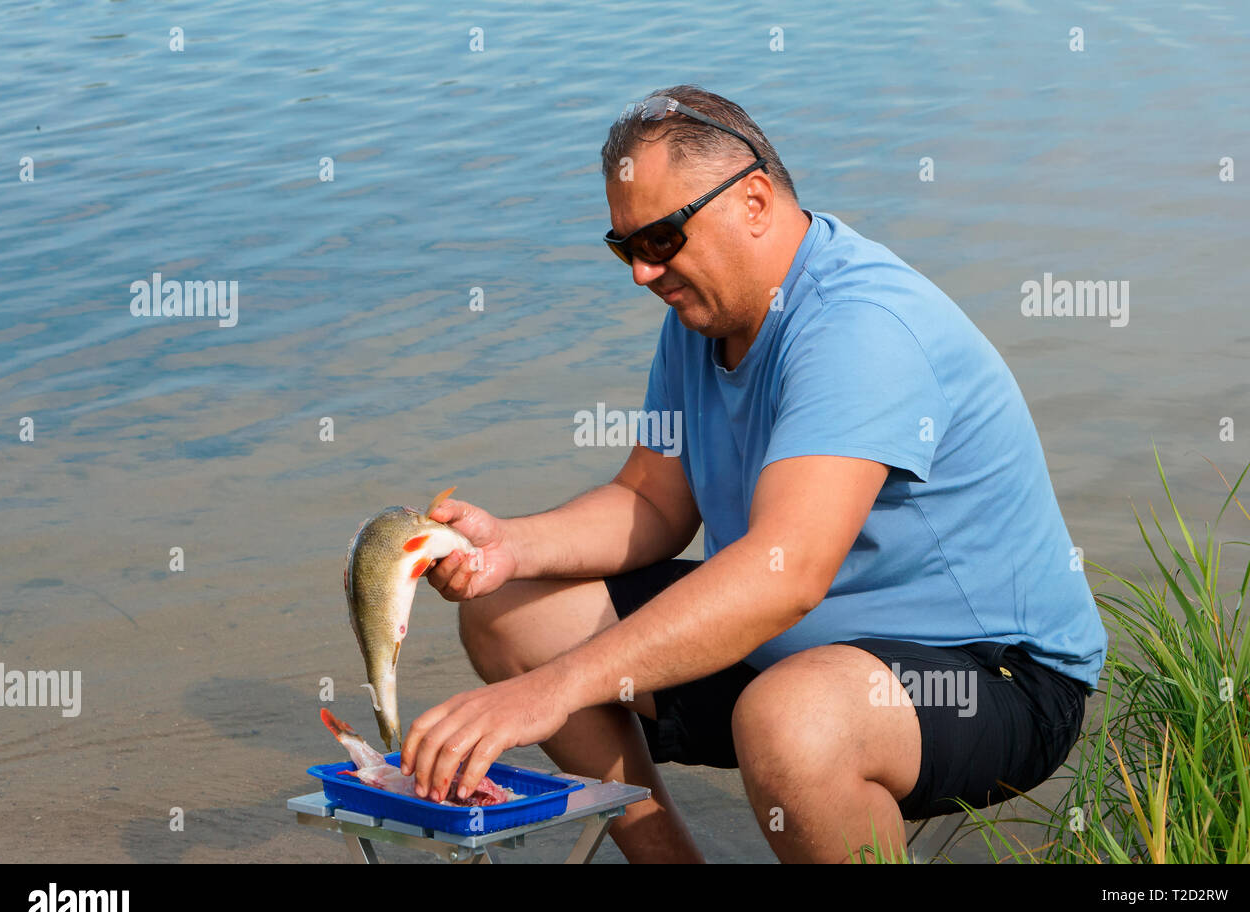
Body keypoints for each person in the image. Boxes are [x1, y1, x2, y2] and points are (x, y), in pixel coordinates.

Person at [399, 84, 1107, 863]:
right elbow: (652, 500)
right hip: (795, 647)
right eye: (624, 246)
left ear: (756, 201)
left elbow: (787, 574)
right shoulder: (699, 315)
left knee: (790, 719)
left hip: (990, 672)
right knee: (510, 612)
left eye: (661, 238)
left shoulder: (857, 327)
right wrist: (509, 547)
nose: (641, 272)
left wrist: (553, 690)